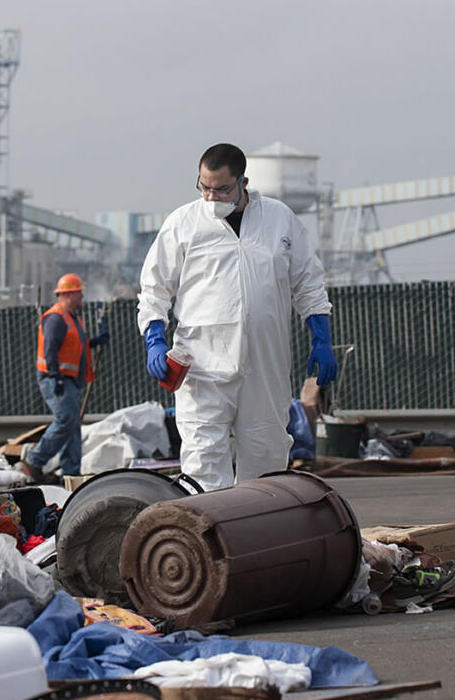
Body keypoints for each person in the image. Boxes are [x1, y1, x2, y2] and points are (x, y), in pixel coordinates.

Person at [137, 142, 337, 491]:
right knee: (203, 460)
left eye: (222, 189)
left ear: (243, 182)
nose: (211, 197)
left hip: (265, 363)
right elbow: (154, 288)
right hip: (201, 367)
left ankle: (261, 540)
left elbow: (308, 282)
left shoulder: (279, 220)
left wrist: (322, 338)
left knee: (267, 459)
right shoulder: (183, 223)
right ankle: (212, 543)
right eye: (205, 187)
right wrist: (154, 340)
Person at [22, 273, 109, 482]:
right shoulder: (56, 318)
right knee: (66, 419)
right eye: (79, 294)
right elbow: (50, 348)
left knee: (73, 424)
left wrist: (94, 342)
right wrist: (55, 376)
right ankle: (34, 460)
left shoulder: (73, 318)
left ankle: (71, 473)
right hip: (55, 378)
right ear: (69, 295)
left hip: (68, 378)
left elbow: (75, 346)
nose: (82, 298)